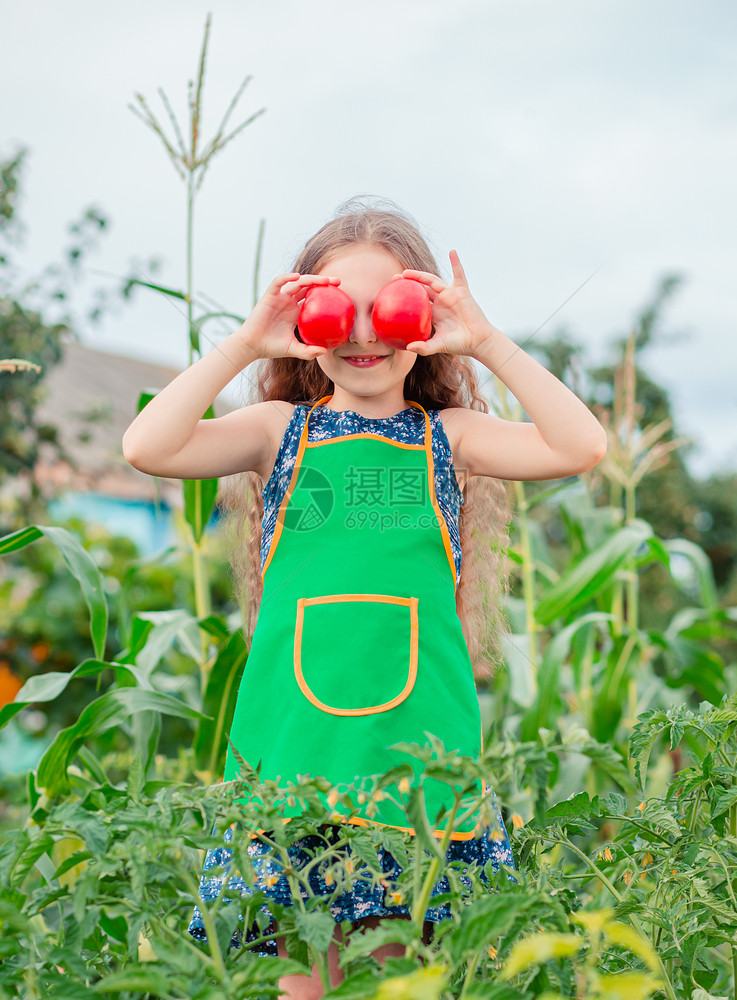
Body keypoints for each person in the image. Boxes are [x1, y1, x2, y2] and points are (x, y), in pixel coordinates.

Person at [122, 200, 607, 998]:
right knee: (304, 979)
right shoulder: (280, 430)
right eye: (336, 310)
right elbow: (149, 445)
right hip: (296, 763)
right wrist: (246, 341)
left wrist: (484, 339)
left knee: (395, 979)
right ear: (304, 318)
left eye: (386, 308)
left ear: (422, 320)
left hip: (411, 764)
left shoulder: (448, 440)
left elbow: (579, 444)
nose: (363, 334)